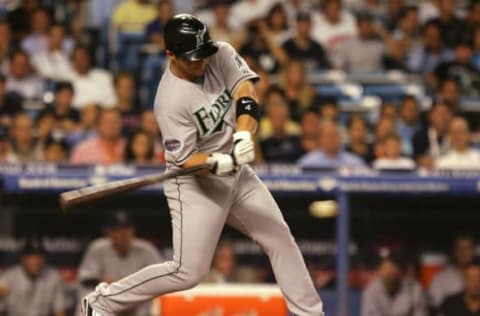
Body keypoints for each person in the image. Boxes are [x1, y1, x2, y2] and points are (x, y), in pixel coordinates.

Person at [81, 14, 324, 316]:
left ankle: (310, 313)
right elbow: (185, 159)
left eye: (204, 54)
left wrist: (244, 135)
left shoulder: (219, 52)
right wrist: (215, 162)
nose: (203, 63)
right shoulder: (169, 101)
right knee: (187, 272)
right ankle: (103, 301)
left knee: (279, 235)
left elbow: (246, 94)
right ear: (171, 54)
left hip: (237, 172)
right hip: (195, 184)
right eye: (194, 58)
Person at [77, 211, 162, 316]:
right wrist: (101, 282)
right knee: (87, 298)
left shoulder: (146, 250)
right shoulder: (98, 248)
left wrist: (134, 298)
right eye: (117, 229)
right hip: (107, 302)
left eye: (127, 228)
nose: (123, 233)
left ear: (133, 230)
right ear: (109, 232)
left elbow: (161, 280)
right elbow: (85, 280)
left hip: (139, 303)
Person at [0, 238, 67, 316]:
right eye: (32, 257)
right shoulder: (8, 278)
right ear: (23, 258)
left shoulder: (53, 276)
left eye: (40, 256)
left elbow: (60, 311)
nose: (37, 261)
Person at [361, 247, 428, 316]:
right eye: (385, 267)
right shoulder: (371, 290)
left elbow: (421, 313)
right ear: (379, 270)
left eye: (392, 266)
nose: (389, 271)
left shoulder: (414, 289)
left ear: (399, 270)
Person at [429, 233, 476, 312]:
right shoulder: (440, 278)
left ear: (474, 251)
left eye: (467, 248)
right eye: (459, 248)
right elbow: (435, 309)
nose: (463, 252)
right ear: (454, 251)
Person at [298, 119, 366, 170]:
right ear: (320, 139)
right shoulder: (307, 163)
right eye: (328, 136)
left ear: (340, 138)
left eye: (335, 135)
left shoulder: (355, 162)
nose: (331, 139)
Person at [412, 101, 454, 169]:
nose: (444, 117)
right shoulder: (420, 136)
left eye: (447, 113)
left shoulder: (457, 135)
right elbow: (417, 159)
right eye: (440, 114)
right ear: (431, 116)